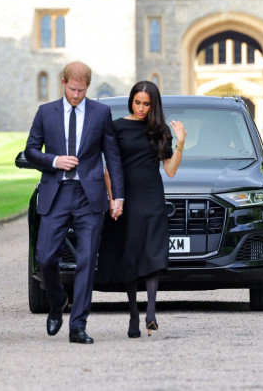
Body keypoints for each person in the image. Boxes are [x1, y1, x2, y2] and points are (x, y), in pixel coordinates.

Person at [24, 61, 125, 344]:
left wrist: (118, 195)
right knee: (45, 257)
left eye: (81, 90)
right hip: (56, 195)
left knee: (85, 262)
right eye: (72, 89)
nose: (76, 95)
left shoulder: (101, 112)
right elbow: (31, 150)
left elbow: (113, 156)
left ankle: (78, 325)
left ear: (87, 87)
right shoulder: (46, 113)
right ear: (63, 83)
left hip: (89, 197)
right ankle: (58, 302)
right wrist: (54, 160)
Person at [99, 80, 186, 338]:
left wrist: (180, 141)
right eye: (137, 102)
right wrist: (114, 198)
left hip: (152, 197)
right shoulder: (117, 127)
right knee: (131, 254)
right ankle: (133, 314)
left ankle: (150, 312)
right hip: (127, 197)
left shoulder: (159, 131)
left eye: (146, 104)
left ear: (153, 105)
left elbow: (170, 170)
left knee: (152, 253)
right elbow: (108, 170)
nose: (141, 108)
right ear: (131, 101)